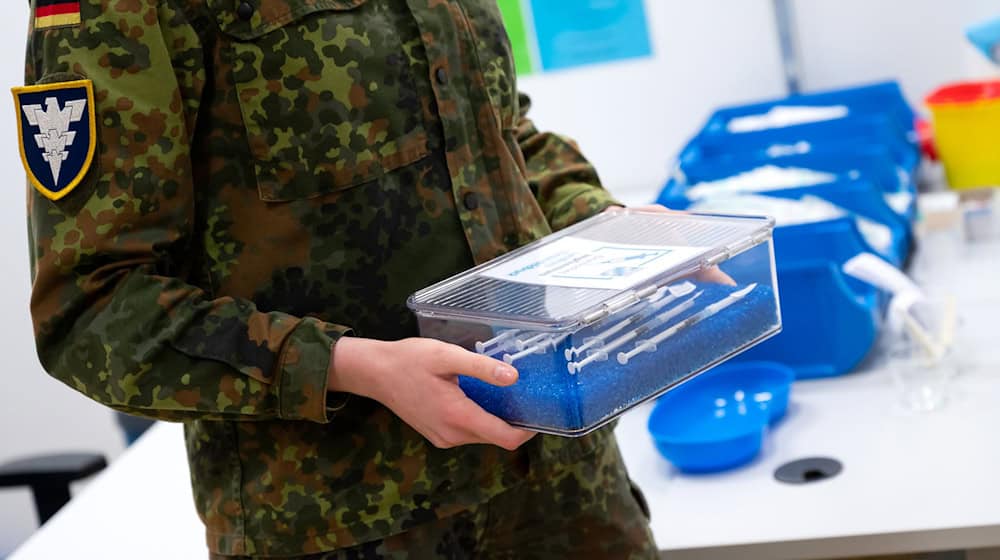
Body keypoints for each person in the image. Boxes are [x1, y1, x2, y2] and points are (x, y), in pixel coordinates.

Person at [17, 0, 658, 557]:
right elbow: (92, 308)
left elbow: (499, 132)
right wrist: (351, 367)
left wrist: (604, 224)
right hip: (350, 523)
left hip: (565, 478)